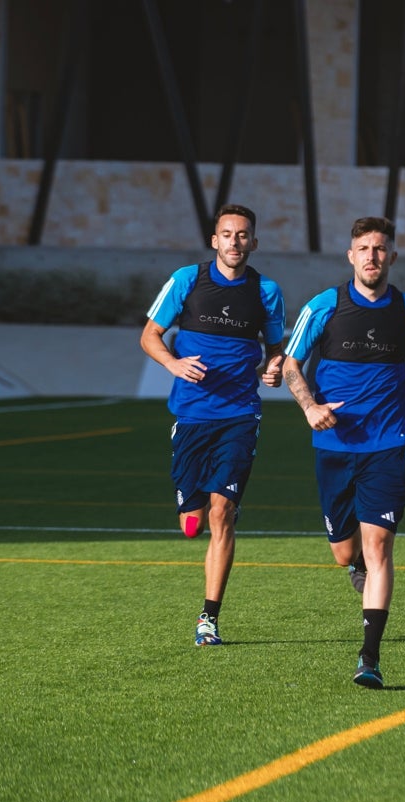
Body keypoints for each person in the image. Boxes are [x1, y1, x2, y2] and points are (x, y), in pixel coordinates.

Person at [283, 216, 405, 689]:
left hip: (389, 444)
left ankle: (369, 658)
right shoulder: (324, 306)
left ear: (392, 255)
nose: (372, 256)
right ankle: (354, 568)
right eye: (364, 248)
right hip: (333, 445)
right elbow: (291, 363)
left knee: (379, 546)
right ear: (351, 256)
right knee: (345, 551)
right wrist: (309, 405)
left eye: (380, 248)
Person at [140, 204, 286, 647]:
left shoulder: (266, 290)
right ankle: (196, 505)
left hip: (240, 415)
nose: (235, 242)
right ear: (214, 240)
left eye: (243, 235)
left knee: (223, 513)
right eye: (227, 234)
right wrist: (174, 363)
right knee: (193, 521)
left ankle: (209, 618)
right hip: (191, 415)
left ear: (253, 242)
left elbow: (277, 349)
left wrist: (274, 369)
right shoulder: (187, 280)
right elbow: (149, 336)